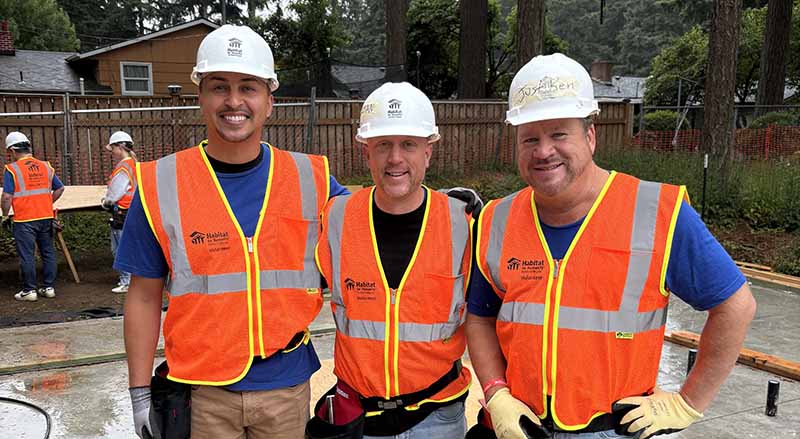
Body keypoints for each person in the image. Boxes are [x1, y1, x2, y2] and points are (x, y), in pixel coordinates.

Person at [465, 53, 757, 439]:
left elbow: (736, 306)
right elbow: (481, 317)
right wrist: (496, 394)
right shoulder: (496, 220)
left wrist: (688, 402)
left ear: (590, 135)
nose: (543, 150)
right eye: (530, 138)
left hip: (609, 430)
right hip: (518, 427)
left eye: (559, 134)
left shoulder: (657, 213)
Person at [115, 25, 349, 439]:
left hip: (286, 386)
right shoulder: (159, 184)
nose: (234, 101)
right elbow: (144, 294)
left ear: (270, 101)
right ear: (201, 97)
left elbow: (372, 226)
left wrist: (440, 209)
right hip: (203, 393)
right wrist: (138, 393)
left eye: (248, 87)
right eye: (219, 87)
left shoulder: (311, 178)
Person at [313, 82, 474, 439]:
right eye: (383, 145)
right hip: (358, 419)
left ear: (428, 152)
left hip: (438, 418)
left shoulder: (463, 223)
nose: (396, 158)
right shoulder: (335, 219)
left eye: (409, 145)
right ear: (366, 153)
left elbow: (492, 316)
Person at [1, 131, 64, 302]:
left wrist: (5, 215)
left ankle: (30, 290)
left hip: (24, 220)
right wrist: (46, 202)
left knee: (27, 255)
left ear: (13, 150)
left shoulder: (12, 169)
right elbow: (59, 188)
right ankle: (48, 287)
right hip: (45, 216)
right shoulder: (45, 166)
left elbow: (7, 196)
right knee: (48, 252)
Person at [101, 131, 137, 294]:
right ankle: (132, 280)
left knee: (120, 248)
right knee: (131, 245)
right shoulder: (134, 163)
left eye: (113, 149)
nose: (112, 153)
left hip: (122, 211)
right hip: (133, 210)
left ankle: (126, 281)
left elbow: (116, 191)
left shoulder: (123, 166)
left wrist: (106, 202)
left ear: (120, 147)